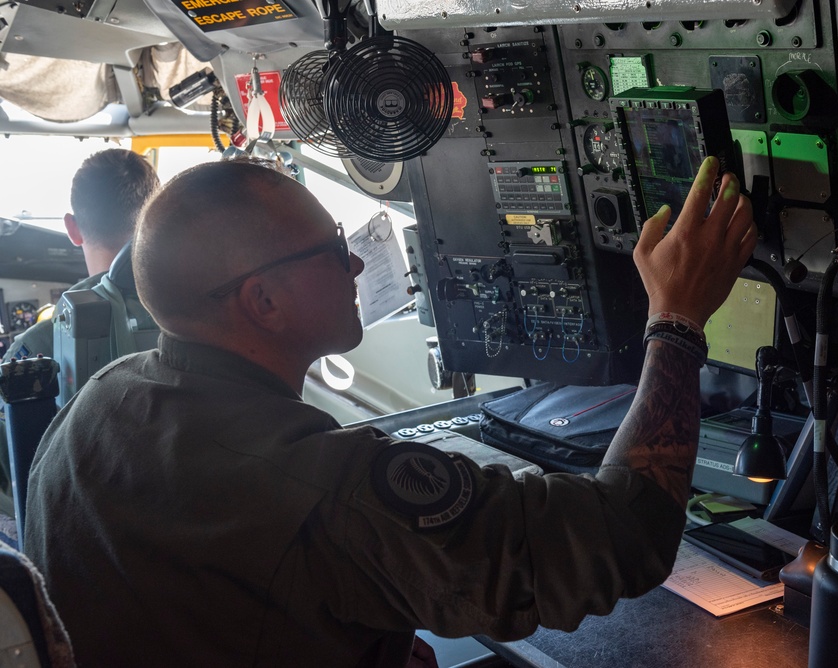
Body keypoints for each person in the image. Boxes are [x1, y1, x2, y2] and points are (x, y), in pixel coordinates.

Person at [24, 156, 755, 667]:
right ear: (263, 302)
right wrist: (678, 319)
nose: (354, 266)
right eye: (330, 249)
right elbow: (623, 537)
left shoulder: (101, 399)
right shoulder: (319, 483)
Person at [0, 149, 160, 519]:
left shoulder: (33, 350)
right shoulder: (201, 312)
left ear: (72, 228)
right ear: (156, 217)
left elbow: (13, 472)